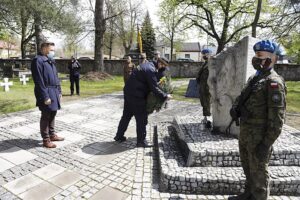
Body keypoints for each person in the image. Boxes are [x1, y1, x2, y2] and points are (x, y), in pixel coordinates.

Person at [229, 40, 286, 200]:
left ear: (272, 59)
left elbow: (277, 119)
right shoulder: (255, 77)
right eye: (256, 56)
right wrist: (235, 108)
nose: (256, 59)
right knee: (248, 167)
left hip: (260, 136)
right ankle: (248, 194)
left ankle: (259, 197)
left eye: (260, 56)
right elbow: (242, 96)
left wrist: (266, 144)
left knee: (259, 172)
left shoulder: (274, 82)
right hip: (246, 132)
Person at [114, 57, 172, 148]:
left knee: (126, 115)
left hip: (128, 92)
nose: (163, 67)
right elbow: (154, 87)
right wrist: (165, 95)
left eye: (164, 66)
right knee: (141, 118)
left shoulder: (146, 65)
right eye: (163, 65)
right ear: (159, 63)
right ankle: (141, 142)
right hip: (136, 95)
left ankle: (119, 136)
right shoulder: (150, 70)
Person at [31, 41, 64, 148]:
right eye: (51, 50)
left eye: (53, 50)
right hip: (45, 91)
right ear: (44, 49)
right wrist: (45, 96)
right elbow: (39, 80)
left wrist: (59, 92)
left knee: (53, 113)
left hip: (54, 91)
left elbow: (56, 77)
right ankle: (46, 139)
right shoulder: (38, 61)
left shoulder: (50, 60)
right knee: (46, 115)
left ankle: (52, 134)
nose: (53, 52)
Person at [196, 48, 212, 126]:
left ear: (208, 54)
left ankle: (208, 118)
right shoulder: (205, 63)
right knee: (203, 103)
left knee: (207, 103)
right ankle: (205, 117)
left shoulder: (211, 64)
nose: (203, 56)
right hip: (202, 87)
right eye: (203, 54)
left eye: (204, 54)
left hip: (207, 87)